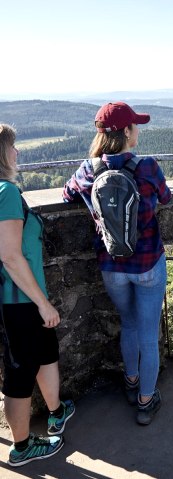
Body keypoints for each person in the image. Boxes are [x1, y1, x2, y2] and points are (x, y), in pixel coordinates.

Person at [63, 102, 172, 425]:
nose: (137, 130)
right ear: (126, 132)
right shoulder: (147, 167)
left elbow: (67, 193)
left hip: (112, 267)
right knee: (148, 335)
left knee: (129, 324)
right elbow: (165, 197)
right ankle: (145, 401)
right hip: (149, 264)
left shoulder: (89, 169)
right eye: (135, 126)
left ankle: (131, 382)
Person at [0, 124, 75, 467]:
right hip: (19, 302)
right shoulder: (6, 193)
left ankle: (57, 411)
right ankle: (22, 447)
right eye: (13, 147)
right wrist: (43, 304)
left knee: (46, 354)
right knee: (19, 374)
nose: (17, 152)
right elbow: (11, 256)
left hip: (25, 298)